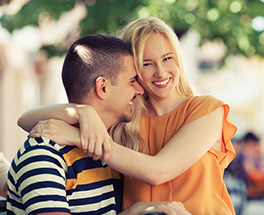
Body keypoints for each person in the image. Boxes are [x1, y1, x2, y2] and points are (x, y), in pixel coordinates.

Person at [18, 17, 237, 215]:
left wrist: (77, 136)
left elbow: (158, 171)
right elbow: (25, 120)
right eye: (147, 64)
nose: (160, 72)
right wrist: (82, 112)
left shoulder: (207, 110)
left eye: (168, 58)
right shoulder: (123, 122)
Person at [8, 34, 190, 215]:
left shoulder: (110, 152)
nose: (140, 90)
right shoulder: (45, 154)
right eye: (132, 81)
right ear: (103, 87)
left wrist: (135, 211)